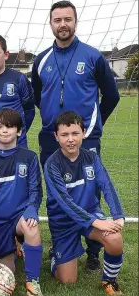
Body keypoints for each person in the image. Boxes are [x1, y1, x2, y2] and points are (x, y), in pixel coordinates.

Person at [32, 0, 120, 271]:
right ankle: (61, 242)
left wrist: (90, 129)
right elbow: (39, 96)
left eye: (67, 19)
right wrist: (54, 125)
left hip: (86, 139)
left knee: (89, 191)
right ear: (50, 23)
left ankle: (94, 250)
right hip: (51, 137)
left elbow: (112, 95)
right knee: (57, 191)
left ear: (75, 21)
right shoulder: (41, 59)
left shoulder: (93, 56)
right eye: (57, 20)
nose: (63, 24)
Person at [45, 111, 124, 295]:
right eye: (64, 135)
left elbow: (107, 186)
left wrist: (118, 215)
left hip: (89, 213)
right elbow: (65, 202)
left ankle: (109, 280)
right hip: (63, 222)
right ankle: (55, 255)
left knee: (114, 237)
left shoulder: (91, 158)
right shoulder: (52, 164)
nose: (70, 139)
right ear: (56, 137)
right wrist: (95, 222)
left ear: (84, 133)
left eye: (75, 133)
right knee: (68, 281)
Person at [0, 108, 44, 296]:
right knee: (7, 272)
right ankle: (11, 246)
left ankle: (32, 282)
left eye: (10, 126)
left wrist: (32, 208)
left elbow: (36, 190)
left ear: (19, 131)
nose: (5, 130)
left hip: (18, 217)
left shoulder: (29, 157)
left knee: (31, 226)